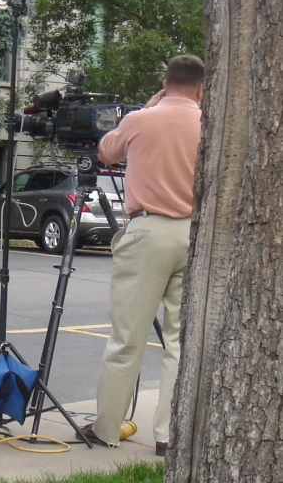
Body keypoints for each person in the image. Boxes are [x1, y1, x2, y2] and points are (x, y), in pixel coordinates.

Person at [77, 55, 204, 457]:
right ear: (201, 88)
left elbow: (106, 152)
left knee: (126, 339)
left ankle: (107, 427)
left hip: (148, 229)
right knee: (179, 341)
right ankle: (167, 434)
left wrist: (147, 110)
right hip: (193, 233)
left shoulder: (140, 118)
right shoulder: (209, 122)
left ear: (165, 84)